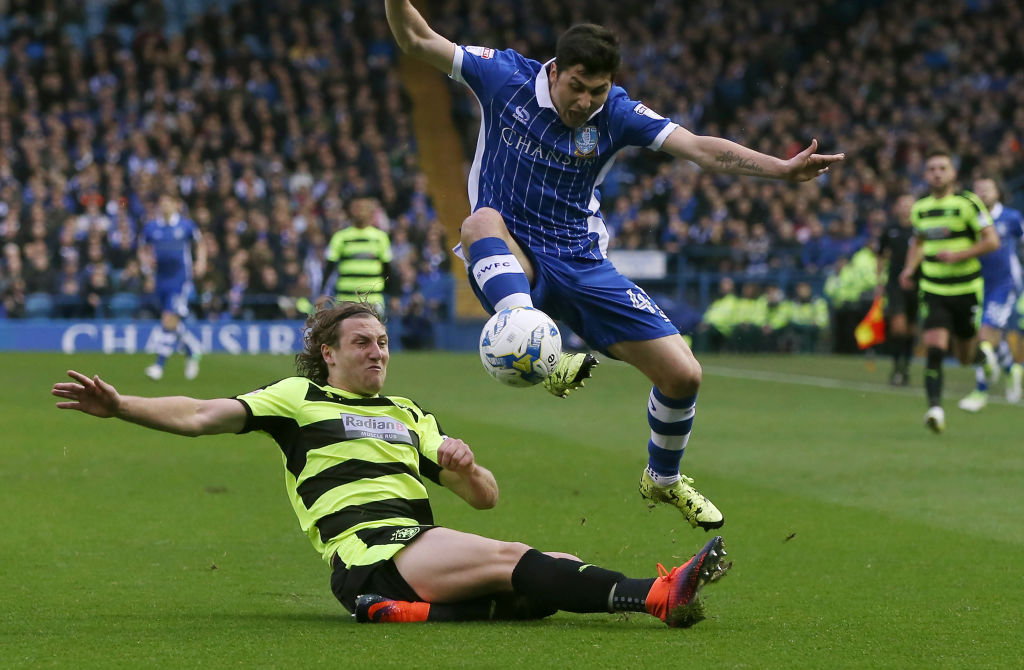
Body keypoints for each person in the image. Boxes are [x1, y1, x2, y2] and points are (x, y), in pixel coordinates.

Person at [383, 0, 844, 531]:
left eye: (597, 91)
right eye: (578, 87)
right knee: (477, 222)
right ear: (555, 71)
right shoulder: (504, 77)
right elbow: (417, 40)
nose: (585, 102)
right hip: (511, 252)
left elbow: (699, 148)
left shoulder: (617, 113)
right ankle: (540, 350)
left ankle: (664, 478)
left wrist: (780, 168)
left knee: (684, 375)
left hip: (580, 260)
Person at [50, 301, 731, 627]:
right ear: (328, 353)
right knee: (514, 559)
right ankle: (656, 594)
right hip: (373, 551)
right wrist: (122, 405)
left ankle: (403, 613)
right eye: (362, 343)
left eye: (381, 342)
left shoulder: (409, 413)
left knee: (543, 580)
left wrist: (465, 466)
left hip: (416, 552)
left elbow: (485, 498)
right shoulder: (297, 399)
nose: (377, 352)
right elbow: (202, 414)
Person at [899, 153, 999, 432]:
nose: (937, 173)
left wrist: (959, 255)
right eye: (931, 169)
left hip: (966, 289)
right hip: (933, 288)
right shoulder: (920, 208)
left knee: (964, 356)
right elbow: (918, 243)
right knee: (935, 348)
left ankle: (982, 357)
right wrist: (909, 269)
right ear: (925, 175)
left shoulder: (968, 203)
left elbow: (992, 241)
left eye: (943, 168)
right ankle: (935, 410)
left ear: (953, 174)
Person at [957, 177, 1024, 411]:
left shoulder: (1011, 217)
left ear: (998, 192)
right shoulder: (968, 218)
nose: (983, 193)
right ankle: (1012, 369)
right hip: (975, 284)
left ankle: (980, 391)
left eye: (988, 189)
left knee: (983, 338)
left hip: (1004, 285)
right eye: (978, 189)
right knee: (992, 338)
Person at [140, 192, 205, 381]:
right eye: (162, 203)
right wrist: (147, 269)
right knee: (172, 322)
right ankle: (192, 349)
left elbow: (200, 243)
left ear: (176, 205)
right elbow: (142, 249)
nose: (165, 206)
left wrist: (201, 262)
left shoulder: (186, 226)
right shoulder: (152, 227)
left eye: (168, 203)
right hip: (161, 279)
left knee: (168, 319)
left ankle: (158, 366)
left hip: (180, 279)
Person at [321, 195, 393, 316]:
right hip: (345, 300)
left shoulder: (381, 238)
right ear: (350, 211)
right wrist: (322, 294)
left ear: (371, 211)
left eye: (363, 208)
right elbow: (329, 267)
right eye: (356, 208)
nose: (360, 212)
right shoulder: (340, 237)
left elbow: (388, 269)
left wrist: (394, 295)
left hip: (373, 301)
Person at [876, 194, 919, 386]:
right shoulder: (890, 229)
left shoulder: (920, 228)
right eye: (903, 204)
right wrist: (879, 281)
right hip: (895, 283)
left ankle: (905, 367)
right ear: (897, 207)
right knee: (898, 326)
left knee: (911, 329)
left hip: (918, 282)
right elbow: (881, 255)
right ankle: (896, 368)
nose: (906, 208)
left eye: (909, 205)